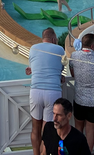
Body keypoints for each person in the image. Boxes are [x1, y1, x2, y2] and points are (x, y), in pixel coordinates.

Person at [27, 27, 66, 155]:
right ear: (54, 39)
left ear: (43, 38)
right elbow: (59, 69)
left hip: (36, 90)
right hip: (53, 92)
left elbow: (33, 68)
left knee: (35, 128)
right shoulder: (59, 49)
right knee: (48, 129)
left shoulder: (33, 48)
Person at [69, 33, 94, 151]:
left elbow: (73, 74)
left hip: (79, 99)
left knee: (78, 130)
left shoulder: (74, 56)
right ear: (92, 45)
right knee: (90, 132)